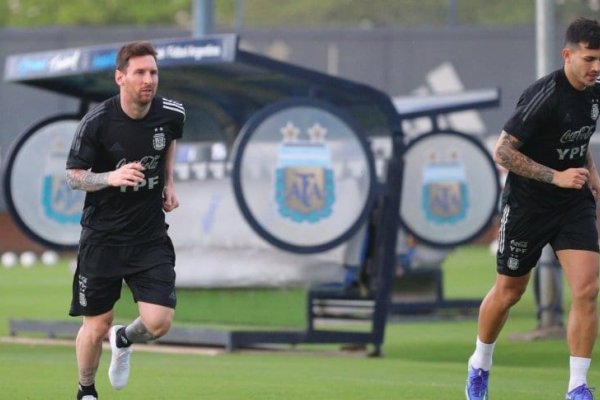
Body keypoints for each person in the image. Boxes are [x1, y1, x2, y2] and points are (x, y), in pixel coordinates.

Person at [465, 17, 600, 400]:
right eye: (589, 59)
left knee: (588, 289)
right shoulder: (544, 95)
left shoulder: (595, 90)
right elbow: (503, 151)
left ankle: (577, 386)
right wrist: (555, 177)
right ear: (567, 55)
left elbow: (575, 135)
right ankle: (479, 363)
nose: (596, 68)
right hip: (528, 205)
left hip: (572, 204)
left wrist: (589, 170)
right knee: (509, 293)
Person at [66, 41, 185, 400]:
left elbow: (169, 143)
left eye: (153, 72)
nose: (148, 79)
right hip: (102, 237)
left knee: (159, 322)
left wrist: (168, 181)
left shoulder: (172, 113)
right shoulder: (98, 122)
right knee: (96, 323)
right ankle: (86, 390)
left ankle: (123, 338)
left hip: (149, 237)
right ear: (120, 77)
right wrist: (109, 178)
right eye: (140, 73)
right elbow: (73, 176)